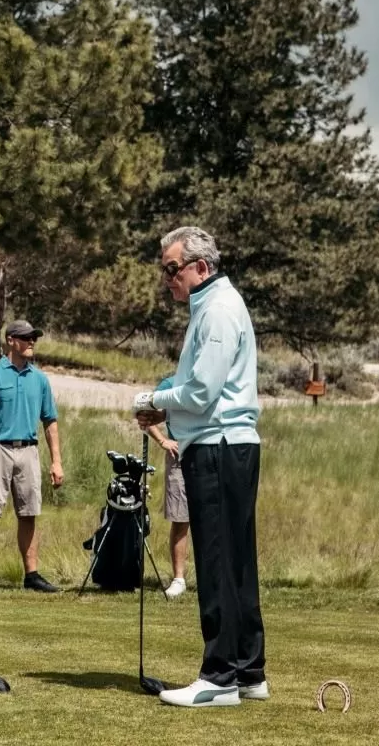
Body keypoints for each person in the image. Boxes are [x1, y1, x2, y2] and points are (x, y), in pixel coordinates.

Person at [133, 226, 267, 708]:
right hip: (227, 444)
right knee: (236, 561)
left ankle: (219, 677)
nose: (167, 279)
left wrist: (152, 400)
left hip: (218, 446)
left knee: (216, 561)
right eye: (165, 270)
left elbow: (201, 392)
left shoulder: (217, 310)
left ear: (201, 267)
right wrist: (167, 410)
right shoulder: (213, 306)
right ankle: (248, 671)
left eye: (173, 269)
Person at [0, 320, 64, 593]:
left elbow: (50, 422)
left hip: (29, 450)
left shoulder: (40, 379)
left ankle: (32, 575)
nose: (31, 342)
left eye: (34, 338)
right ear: (10, 340)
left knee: (29, 513)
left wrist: (56, 462)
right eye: (26, 337)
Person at [145, 375, 190, 600]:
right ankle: (178, 578)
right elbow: (146, 416)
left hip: (206, 452)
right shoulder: (170, 384)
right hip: (178, 455)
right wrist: (163, 440)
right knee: (180, 518)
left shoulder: (207, 379)